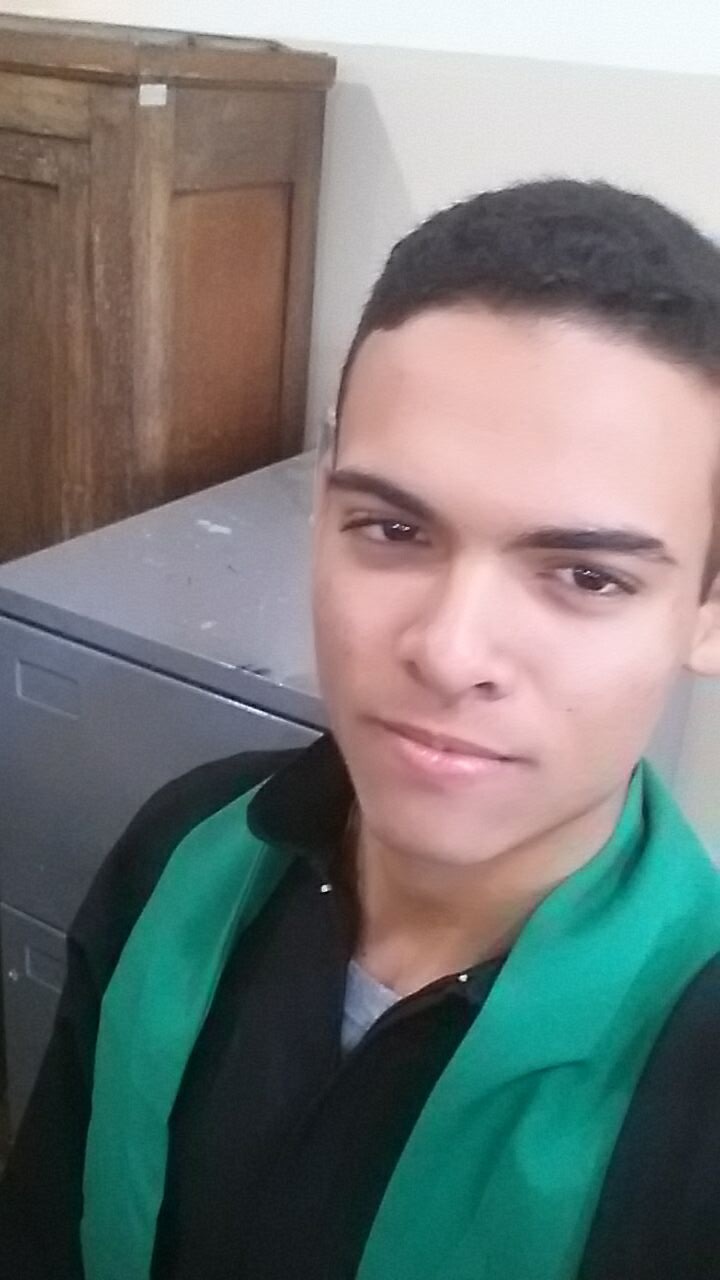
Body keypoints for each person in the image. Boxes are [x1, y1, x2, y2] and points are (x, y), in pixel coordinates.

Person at [2, 178, 720, 1280]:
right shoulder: (186, 848)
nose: (451, 650)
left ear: (706, 610)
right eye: (392, 528)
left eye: (586, 575)